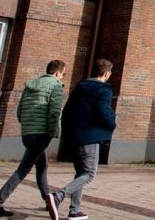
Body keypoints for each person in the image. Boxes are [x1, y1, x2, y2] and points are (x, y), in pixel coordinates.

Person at [0, 60, 66, 218]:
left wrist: (28, 127)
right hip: (41, 134)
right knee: (22, 170)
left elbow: (20, 111)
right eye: (63, 74)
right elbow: (55, 112)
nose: (62, 77)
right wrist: (53, 132)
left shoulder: (30, 86)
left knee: (42, 166)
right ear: (57, 73)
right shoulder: (55, 86)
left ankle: (48, 200)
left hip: (27, 133)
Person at [45, 59, 117, 220]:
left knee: (80, 173)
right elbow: (103, 111)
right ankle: (58, 196)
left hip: (75, 135)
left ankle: (75, 210)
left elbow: (67, 110)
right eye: (110, 72)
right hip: (90, 136)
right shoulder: (104, 89)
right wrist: (112, 124)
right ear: (106, 73)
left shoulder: (80, 86)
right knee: (89, 173)